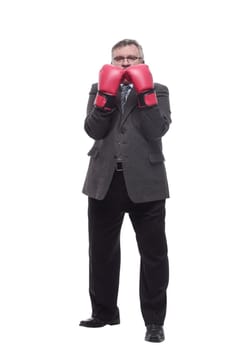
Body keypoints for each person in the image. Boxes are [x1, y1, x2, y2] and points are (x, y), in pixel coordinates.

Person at [79, 39, 171, 343]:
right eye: (120, 58)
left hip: (147, 183)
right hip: (104, 181)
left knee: (154, 255)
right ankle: (105, 312)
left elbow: (157, 130)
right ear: (112, 61)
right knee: (102, 253)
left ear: (142, 61)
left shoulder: (159, 90)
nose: (126, 62)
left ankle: (154, 322)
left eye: (132, 57)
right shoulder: (98, 87)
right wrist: (105, 96)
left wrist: (145, 94)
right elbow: (93, 130)